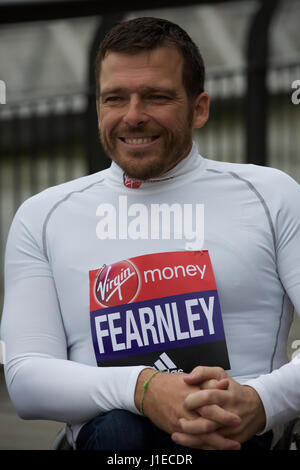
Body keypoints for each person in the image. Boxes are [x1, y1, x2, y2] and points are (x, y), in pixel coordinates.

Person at [1, 16, 300, 452]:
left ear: (199, 108)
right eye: (115, 98)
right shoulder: (43, 215)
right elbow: (25, 377)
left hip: (236, 438)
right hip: (112, 444)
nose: (134, 116)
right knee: (120, 430)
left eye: (156, 97)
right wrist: (144, 389)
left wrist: (261, 401)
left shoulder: (272, 196)